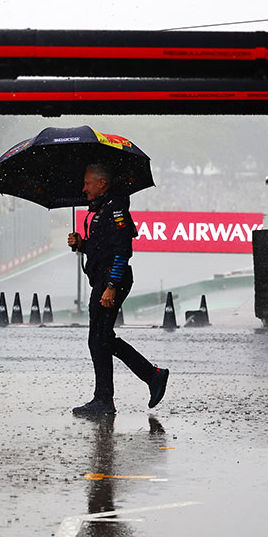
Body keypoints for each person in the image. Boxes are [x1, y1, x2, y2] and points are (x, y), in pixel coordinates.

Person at [67, 162, 169, 416]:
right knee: (101, 339)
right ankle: (151, 376)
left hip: (113, 280)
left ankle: (105, 399)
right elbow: (102, 248)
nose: (84, 188)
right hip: (103, 279)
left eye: (88, 183)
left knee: (99, 339)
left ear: (102, 183)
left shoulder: (116, 209)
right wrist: (82, 244)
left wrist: (111, 286)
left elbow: (123, 251)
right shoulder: (101, 207)